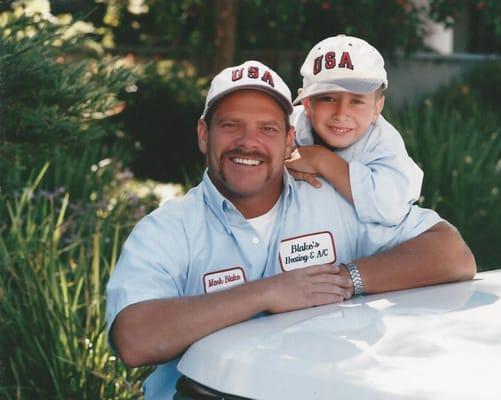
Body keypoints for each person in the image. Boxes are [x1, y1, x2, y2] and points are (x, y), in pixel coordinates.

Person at [106, 60, 476, 399]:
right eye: (231, 125)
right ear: (204, 134)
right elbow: (135, 339)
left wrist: (347, 279)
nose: (248, 142)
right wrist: (265, 293)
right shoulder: (168, 229)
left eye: (267, 129)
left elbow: (451, 255)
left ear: (288, 140)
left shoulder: (335, 202)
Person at [286, 35, 422, 226]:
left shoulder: (382, 140)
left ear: (377, 107)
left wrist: (321, 160)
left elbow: (390, 208)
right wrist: (282, 168)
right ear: (307, 102)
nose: (341, 114)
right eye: (328, 98)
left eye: (356, 101)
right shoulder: (287, 125)